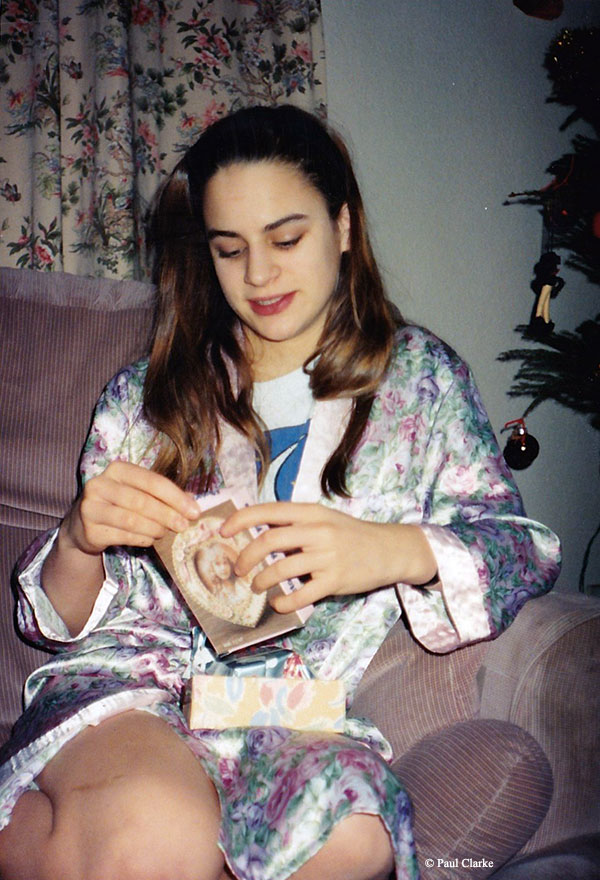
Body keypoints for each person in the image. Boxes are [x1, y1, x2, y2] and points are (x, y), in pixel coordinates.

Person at [0, 105, 561, 880]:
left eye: (286, 239)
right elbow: (55, 622)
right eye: (230, 251)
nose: (258, 276)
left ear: (344, 226)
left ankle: (48, 840)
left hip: (291, 717)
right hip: (139, 687)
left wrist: (388, 551)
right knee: (161, 834)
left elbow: (521, 550)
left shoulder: (421, 385)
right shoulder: (145, 397)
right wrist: (78, 538)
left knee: (357, 838)